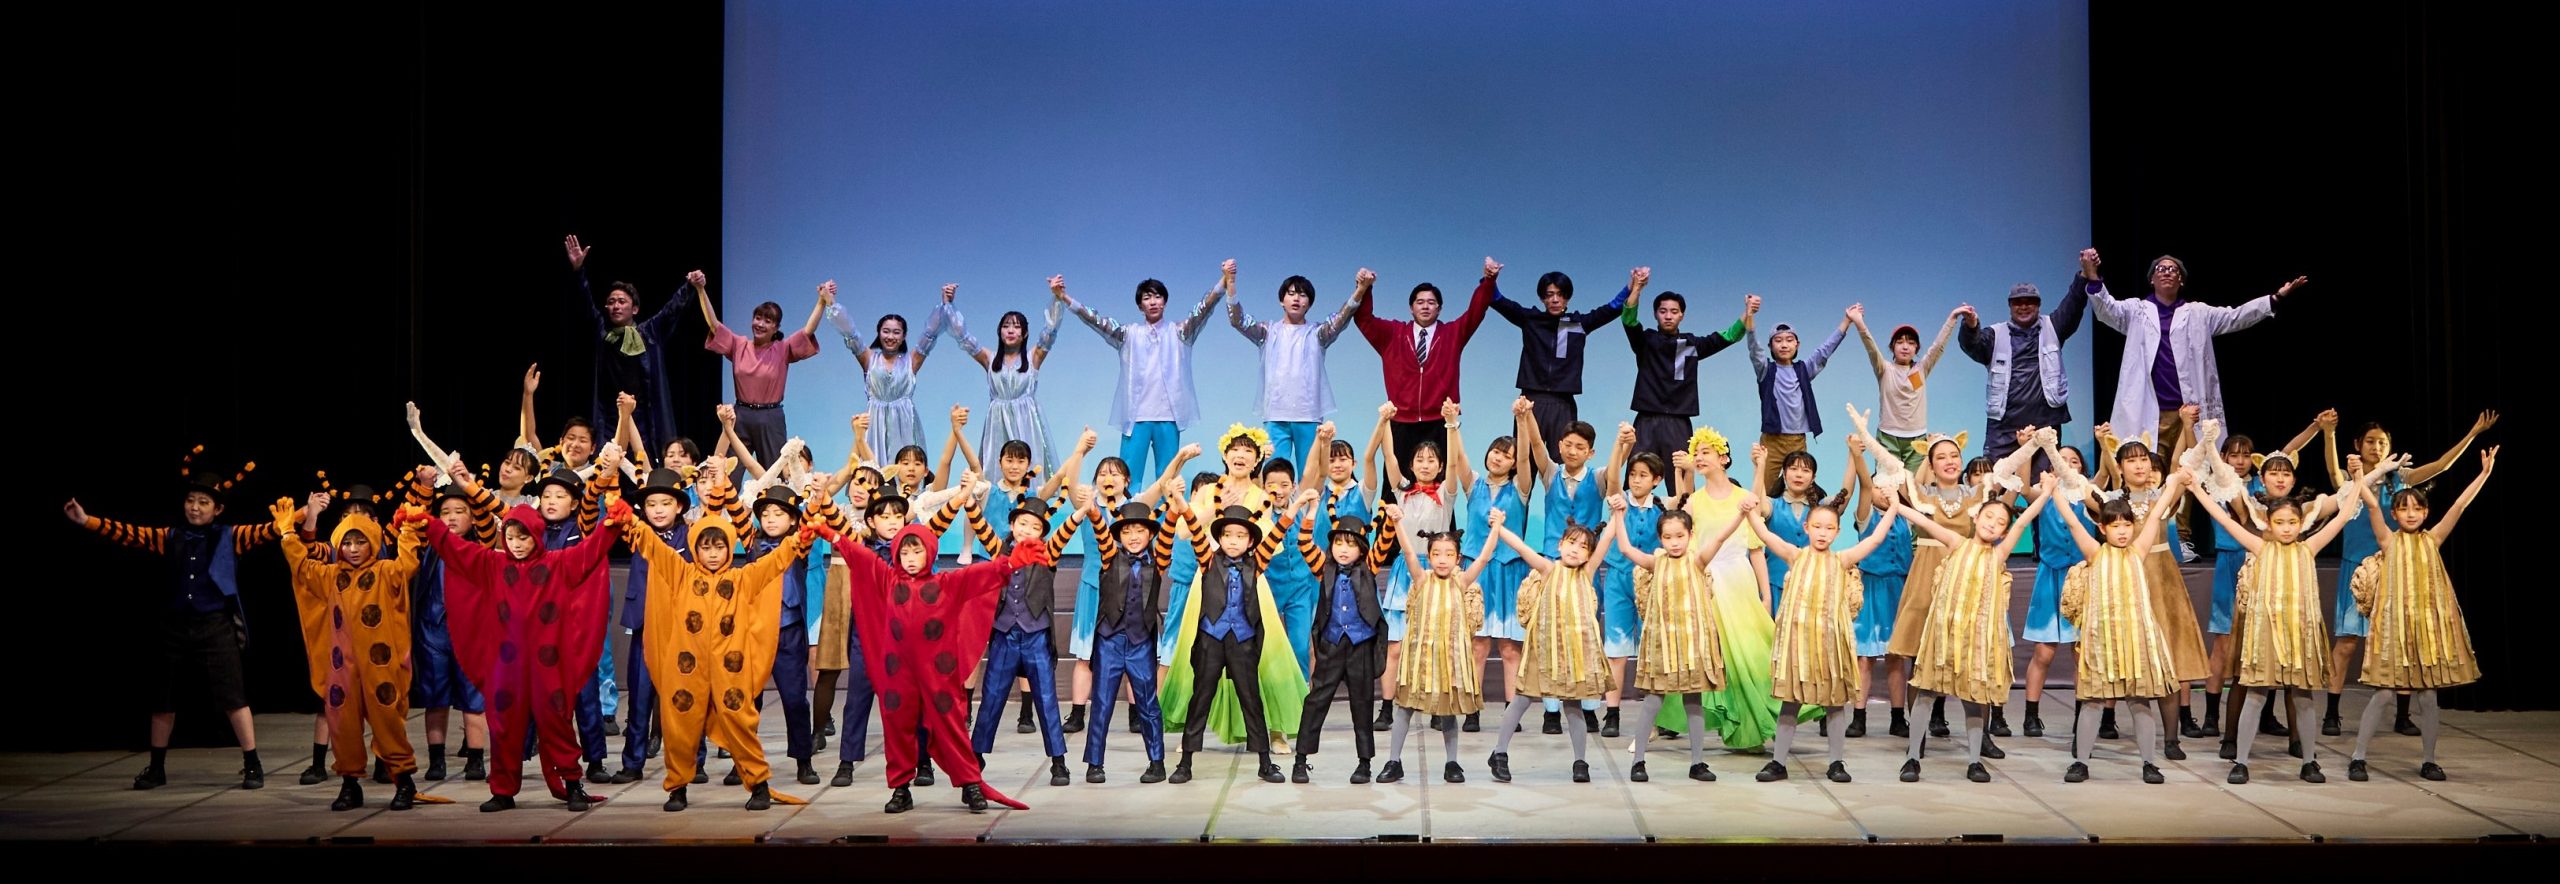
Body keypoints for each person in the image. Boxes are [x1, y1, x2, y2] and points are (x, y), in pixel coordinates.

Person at [67, 451, 276, 792]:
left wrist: (306, 513)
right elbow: (128, 533)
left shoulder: (230, 536)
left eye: (203, 502)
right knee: (163, 699)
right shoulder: (170, 536)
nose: (195, 507)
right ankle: (156, 768)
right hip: (175, 626)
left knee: (233, 696)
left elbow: (269, 530)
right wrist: (86, 520)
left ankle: (253, 763)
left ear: (217, 509)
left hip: (216, 625)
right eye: (191, 500)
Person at [613, 484, 828, 812]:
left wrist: (798, 539)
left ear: (729, 548)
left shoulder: (742, 579)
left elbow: (775, 562)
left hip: (731, 671)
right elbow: (655, 549)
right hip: (688, 671)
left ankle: (758, 784)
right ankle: (678, 787)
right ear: (695, 550)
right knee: (680, 727)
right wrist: (633, 523)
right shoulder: (682, 574)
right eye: (705, 548)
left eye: (718, 547)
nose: (712, 554)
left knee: (741, 723)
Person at [416, 495, 626, 810]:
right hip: (507, 665)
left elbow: (591, 551)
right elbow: (457, 550)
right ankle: (503, 790)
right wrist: (430, 525)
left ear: (536, 535)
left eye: (523, 537)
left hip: (548, 665)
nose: (516, 544)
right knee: (504, 725)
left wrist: (611, 526)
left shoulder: (557, 564)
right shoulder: (493, 564)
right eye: (511, 537)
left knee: (556, 722)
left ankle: (572, 784)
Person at [274, 496, 434, 811]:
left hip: (380, 667)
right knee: (342, 725)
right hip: (343, 669)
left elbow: (408, 564)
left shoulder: (386, 571)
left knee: (388, 722)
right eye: (347, 543)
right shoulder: (331, 576)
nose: (354, 549)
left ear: (372, 541)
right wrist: (288, 534)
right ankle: (350, 784)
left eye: (361, 542)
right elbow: (302, 566)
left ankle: (404, 781)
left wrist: (408, 531)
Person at [1891, 475, 2053, 783]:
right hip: (1944, 635)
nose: (1993, 524)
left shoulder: (1999, 554)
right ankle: (1912, 757)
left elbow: (2024, 521)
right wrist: (1894, 503)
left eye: (2001, 523)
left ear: (2004, 532)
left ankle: (1975, 760)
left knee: (1974, 699)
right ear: (1976, 517)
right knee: (1926, 692)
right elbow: (1922, 520)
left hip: (1978, 640)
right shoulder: (1957, 543)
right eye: (1989, 516)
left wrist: (2045, 494)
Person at [2346, 448, 2493, 783]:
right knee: (2384, 694)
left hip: (2426, 632)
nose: (2411, 514)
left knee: (2427, 696)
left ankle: (2429, 760)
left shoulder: (2433, 539)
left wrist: (2483, 475)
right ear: (2395, 514)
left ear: (2425, 512)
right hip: (2393, 630)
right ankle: (2358, 757)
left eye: (2417, 508)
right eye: (2403, 508)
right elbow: (2371, 505)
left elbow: (2459, 505)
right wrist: (2358, 477)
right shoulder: (2388, 541)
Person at [2085, 249, 2307, 460]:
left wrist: (2275, 298)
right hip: (2149, 411)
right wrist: (2092, 275)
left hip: (2188, 412)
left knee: (2190, 472)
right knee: (2149, 472)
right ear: (2152, 279)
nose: (2167, 272)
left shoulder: (2199, 313)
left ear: (2181, 280)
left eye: (2173, 269)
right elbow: (2106, 310)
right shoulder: (2135, 311)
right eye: (2161, 269)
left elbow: (2236, 317)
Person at [1745, 487, 1902, 783]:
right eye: (1817, 526)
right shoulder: (1795, 555)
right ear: (1806, 527)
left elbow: (1875, 539)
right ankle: (1778, 762)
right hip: (1798, 645)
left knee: (1833, 703)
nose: (1822, 533)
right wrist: (1749, 512)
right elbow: (1765, 535)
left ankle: (1836, 762)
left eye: (1829, 528)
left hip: (1831, 646)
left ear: (1837, 532)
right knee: (1790, 702)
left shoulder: (1842, 560)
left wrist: (1893, 507)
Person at [2050, 481, 2188, 785]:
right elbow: (2073, 522)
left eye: (2127, 525)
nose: (2123, 531)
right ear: (2103, 529)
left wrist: (2174, 483)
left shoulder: (2138, 551)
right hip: (2102, 642)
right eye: (2115, 526)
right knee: (2093, 702)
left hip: (2137, 640)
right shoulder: (2095, 553)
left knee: (2140, 702)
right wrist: (2054, 492)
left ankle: (2149, 763)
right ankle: (2081, 762)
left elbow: (2156, 514)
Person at [1159, 503, 1303, 786]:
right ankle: (1185, 762)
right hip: (1211, 639)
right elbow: (1195, 530)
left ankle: (1264, 762)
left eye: (1240, 536)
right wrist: (1182, 505)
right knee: (1200, 699)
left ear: (1250, 541)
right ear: (1220, 538)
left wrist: (1296, 506)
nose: (1233, 541)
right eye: (1227, 535)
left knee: (1251, 700)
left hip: (1243, 640)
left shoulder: (1256, 562)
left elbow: (1278, 531)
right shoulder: (1208, 560)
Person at [1059, 264, 1229, 484]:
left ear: (1165, 301)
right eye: (1147, 298)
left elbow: (1203, 309)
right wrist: (1065, 298)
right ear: (1140, 305)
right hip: (1136, 416)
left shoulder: (1180, 332)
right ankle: (1127, 508)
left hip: (1168, 416)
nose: (1153, 302)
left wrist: (1223, 282)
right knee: (1127, 475)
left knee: (1167, 477)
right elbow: (1095, 319)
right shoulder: (1128, 334)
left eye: (1158, 297)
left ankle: (1167, 508)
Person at [1485, 505, 1619, 783]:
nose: (1575, 550)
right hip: (1543, 651)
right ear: (1560, 545)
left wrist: (1619, 513)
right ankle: (1499, 752)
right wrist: (1499, 526)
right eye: (1571, 543)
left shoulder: (1587, 573)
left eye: (1583, 547)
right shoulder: (1548, 568)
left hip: (1574, 655)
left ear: (1589, 555)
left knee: (1573, 706)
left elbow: (1607, 539)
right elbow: (1521, 547)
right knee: (1521, 700)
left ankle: (1580, 761)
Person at [1277, 492, 1400, 784]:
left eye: (1351, 544)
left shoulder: (1369, 566)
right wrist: (1311, 511)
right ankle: (1301, 760)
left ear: (1361, 548)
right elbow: (1304, 542)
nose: (1344, 549)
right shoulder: (1324, 568)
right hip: (1331, 645)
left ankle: (1364, 763)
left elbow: (1385, 540)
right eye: (1339, 543)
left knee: (1362, 705)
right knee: (1316, 701)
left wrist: (1392, 519)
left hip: (1360, 646)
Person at [1377, 513, 1500, 785]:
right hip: (1419, 660)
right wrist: (1397, 523)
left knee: (1447, 712)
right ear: (1429, 557)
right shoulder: (1422, 579)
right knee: (1405, 709)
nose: (1442, 559)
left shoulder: (1462, 582)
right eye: (1436, 554)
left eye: (1449, 554)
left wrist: (1497, 528)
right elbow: (1409, 551)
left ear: (1458, 558)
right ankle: (1394, 761)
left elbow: (1483, 558)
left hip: (1449, 661)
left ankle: (1451, 762)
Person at [1354, 257, 1503, 476]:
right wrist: (1365, 289)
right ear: (1411, 308)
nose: (1425, 306)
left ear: (1439, 308)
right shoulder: (1392, 334)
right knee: (1396, 486)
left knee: (1440, 485)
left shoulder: (1453, 334)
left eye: (1431, 302)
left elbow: (1476, 311)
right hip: (1401, 421)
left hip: (1439, 421)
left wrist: (1489, 280)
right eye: (1420, 302)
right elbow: (1364, 319)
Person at [1230, 269, 1366, 472]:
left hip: (1308, 415)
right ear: (1281, 300)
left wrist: (1360, 289)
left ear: (1309, 303)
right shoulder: (1267, 332)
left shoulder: (1318, 333)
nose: (1296, 299)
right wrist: (1230, 283)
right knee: (1275, 473)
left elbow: (1342, 317)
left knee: (1309, 473)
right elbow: (1238, 320)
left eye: (1302, 295)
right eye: (1291, 293)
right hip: (1276, 414)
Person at [1958, 264, 2094, 468]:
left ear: (2038, 305)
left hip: (2045, 424)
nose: (2023, 307)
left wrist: (2083, 275)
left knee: (2044, 480)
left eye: (2029, 302)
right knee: (1998, 479)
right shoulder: (1995, 335)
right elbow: (1972, 345)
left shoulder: (2053, 327)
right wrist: (1970, 326)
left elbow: (2073, 305)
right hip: (2003, 428)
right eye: (2017, 302)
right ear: (2010, 306)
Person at [564, 234, 691, 450]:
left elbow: (671, 311)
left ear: (635, 309)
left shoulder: (648, 332)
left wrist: (689, 286)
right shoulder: (604, 335)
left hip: (643, 417)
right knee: (607, 463)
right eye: (611, 302)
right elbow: (585, 304)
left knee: (643, 463)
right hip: (609, 418)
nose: (616, 306)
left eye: (622, 301)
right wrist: (578, 271)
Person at [1490, 268, 1630, 461]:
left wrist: (1632, 286)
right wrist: (1490, 278)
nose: (1555, 300)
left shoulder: (1577, 324)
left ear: (1567, 298)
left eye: (1560, 294)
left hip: (1563, 403)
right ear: (1542, 298)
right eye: (1549, 295)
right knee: (1524, 461)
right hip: (1530, 401)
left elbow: (1612, 308)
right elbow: (1497, 300)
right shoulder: (1530, 320)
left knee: (1565, 464)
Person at [1620, 267, 1750, 466]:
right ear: (1655, 314)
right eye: (1663, 311)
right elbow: (1629, 320)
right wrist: (1637, 288)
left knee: (1682, 476)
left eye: (1674, 312)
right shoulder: (1645, 341)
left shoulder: (1691, 344)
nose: (1668, 316)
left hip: (1678, 422)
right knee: (1637, 473)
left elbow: (1729, 336)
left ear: (1682, 315)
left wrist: (1748, 313)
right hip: (1646, 419)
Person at [700, 271, 823, 465]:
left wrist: (821, 302)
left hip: (770, 418)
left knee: (774, 474)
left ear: (776, 328)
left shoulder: (782, 349)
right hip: (740, 415)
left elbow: (808, 330)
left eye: (767, 321)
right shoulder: (739, 345)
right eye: (757, 318)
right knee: (728, 471)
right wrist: (701, 289)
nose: (760, 324)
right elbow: (714, 325)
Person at [826, 280, 953, 462]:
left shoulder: (911, 361)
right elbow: (850, 333)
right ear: (879, 333)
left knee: (906, 469)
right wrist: (831, 302)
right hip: (874, 425)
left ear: (904, 336)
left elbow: (930, 334)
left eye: (896, 332)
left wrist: (945, 304)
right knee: (873, 470)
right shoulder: (869, 359)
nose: (890, 336)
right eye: (886, 331)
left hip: (905, 425)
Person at [946, 287, 1065, 474]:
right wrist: (949, 305)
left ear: (1025, 334)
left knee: (1028, 468)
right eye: (1006, 326)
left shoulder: (1033, 357)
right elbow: (964, 337)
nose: (1010, 330)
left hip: (1026, 420)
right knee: (996, 469)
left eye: (1016, 327)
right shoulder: (989, 358)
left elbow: (1050, 332)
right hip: (997, 421)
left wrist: (1057, 298)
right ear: (999, 332)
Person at [1745, 303, 1851, 492]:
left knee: (1800, 489)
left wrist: (1847, 321)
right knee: (1763, 489)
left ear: (1797, 344)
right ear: (1770, 346)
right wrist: (1750, 315)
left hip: (1797, 440)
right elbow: (1754, 349)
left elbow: (1825, 351)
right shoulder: (1766, 370)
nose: (1784, 345)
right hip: (1771, 441)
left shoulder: (1803, 370)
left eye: (1789, 340)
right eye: (1778, 340)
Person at [1854, 303, 1965, 472]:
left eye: (1911, 343)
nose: (1905, 347)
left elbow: (1938, 346)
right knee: (1887, 483)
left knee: (1914, 485)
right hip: (1888, 437)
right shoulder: (1884, 369)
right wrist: (1859, 322)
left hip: (1917, 438)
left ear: (1916, 348)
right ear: (1892, 347)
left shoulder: (1921, 369)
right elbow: (1870, 346)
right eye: (1899, 342)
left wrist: (1953, 317)